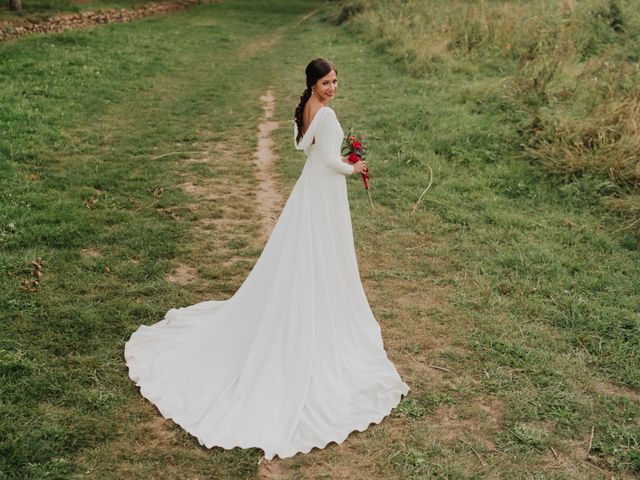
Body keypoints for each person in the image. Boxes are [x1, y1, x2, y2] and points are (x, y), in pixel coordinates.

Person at [124, 57, 410, 461]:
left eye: (335, 82)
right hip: (324, 189)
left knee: (306, 250)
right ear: (313, 83)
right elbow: (328, 160)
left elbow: (300, 146)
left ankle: (306, 299)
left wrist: (337, 159)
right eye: (326, 82)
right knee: (323, 250)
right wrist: (353, 165)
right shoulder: (325, 117)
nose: (332, 88)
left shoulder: (306, 112)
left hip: (309, 191)